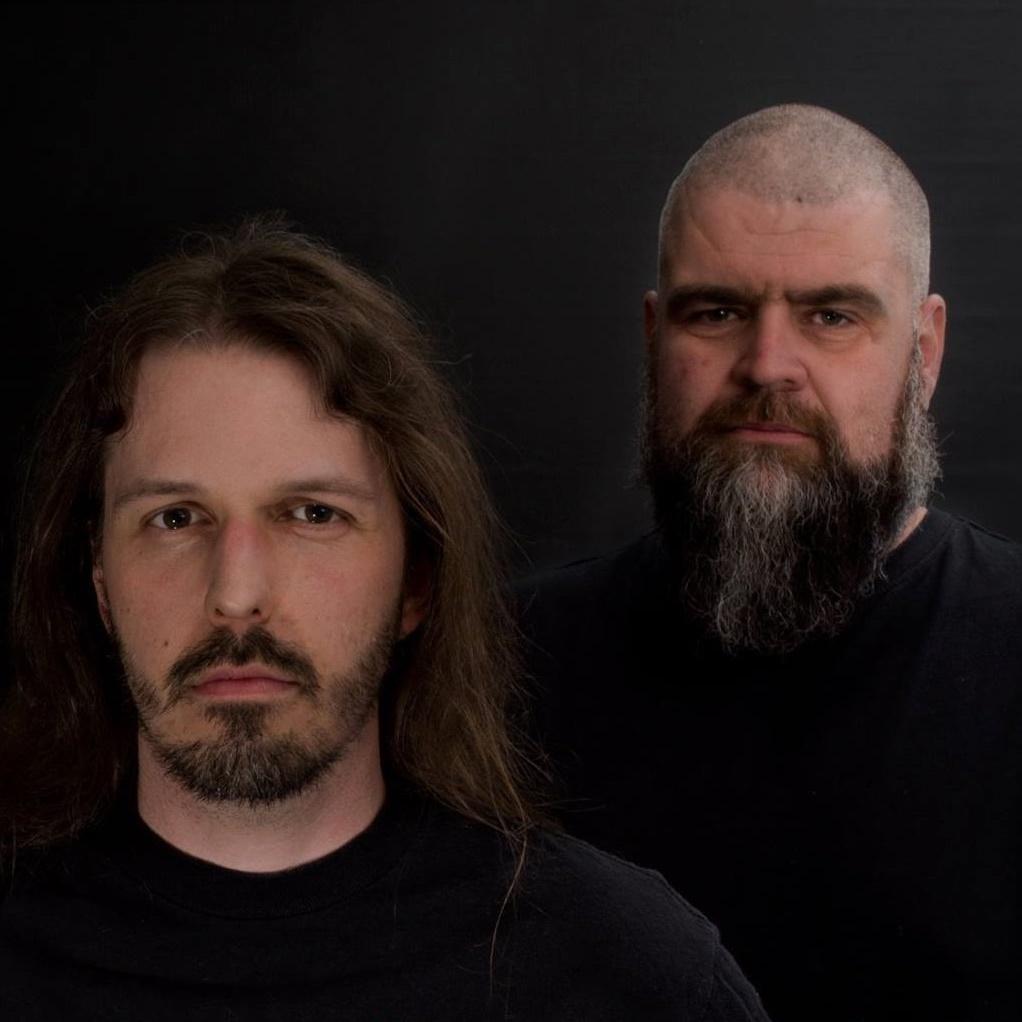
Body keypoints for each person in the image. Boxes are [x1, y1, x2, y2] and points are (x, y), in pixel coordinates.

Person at [0, 221, 768, 1020]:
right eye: (175, 518)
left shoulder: (630, 978)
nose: (236, 594)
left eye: (312, 513)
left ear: (416, 580)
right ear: (99, 578)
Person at [519, 105, 1021, 1022]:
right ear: (654, 337)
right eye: (717, 312)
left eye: (832, 315)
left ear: (924, 352)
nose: (767, 366)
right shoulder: (506, 665)